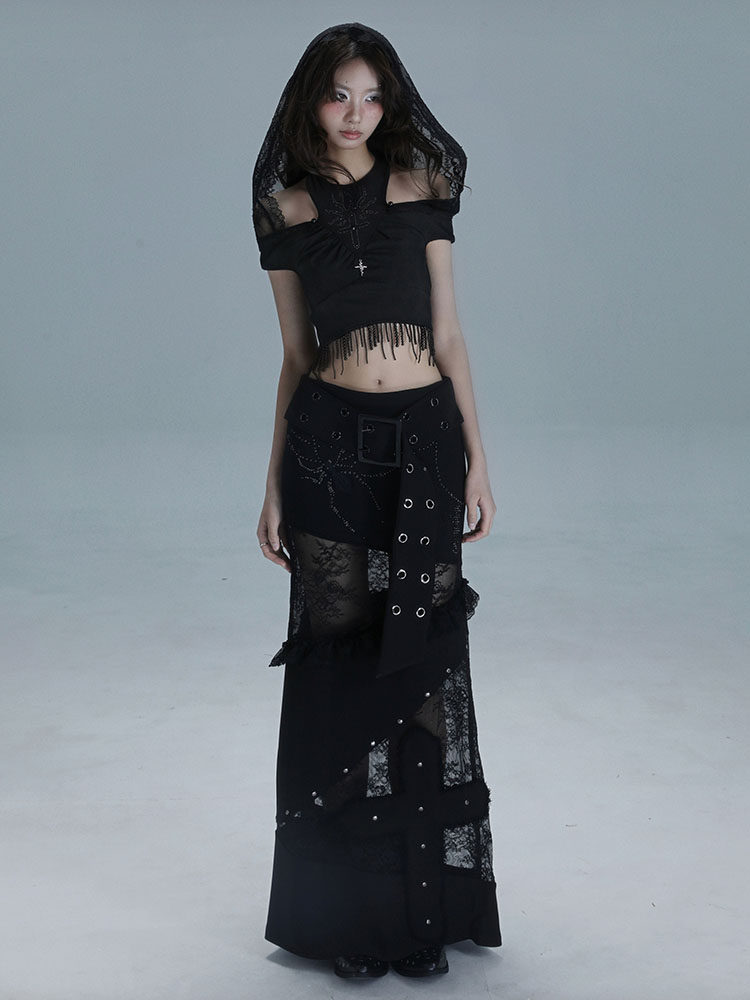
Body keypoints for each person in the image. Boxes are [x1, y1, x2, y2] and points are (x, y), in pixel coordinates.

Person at [251, 22, 501, 980]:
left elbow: (451, 334)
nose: (355, 113)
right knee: (340, 677)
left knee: (425, 667)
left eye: (371, 96)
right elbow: (294, 356)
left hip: (426, 442)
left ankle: (424, 910)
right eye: (338, 95)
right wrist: (271, 480)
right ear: (310, 101)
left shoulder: (423, 189)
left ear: (389, 102)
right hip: (326, 448)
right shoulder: (284, 209)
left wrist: (478, 459)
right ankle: (348, 922)